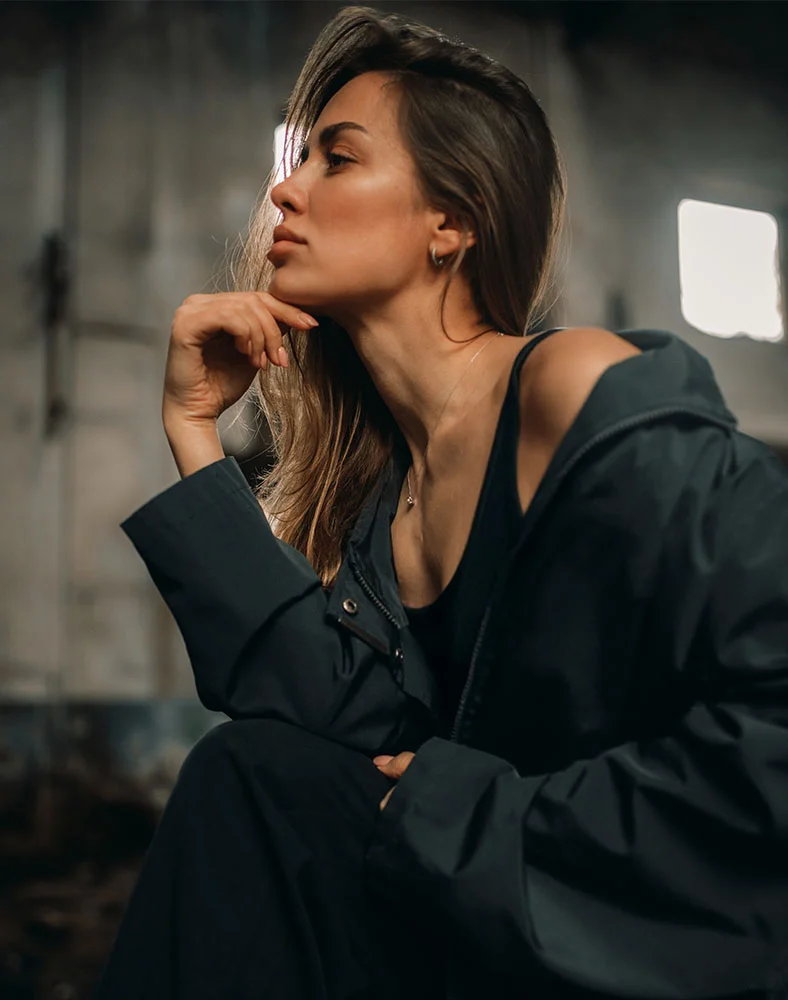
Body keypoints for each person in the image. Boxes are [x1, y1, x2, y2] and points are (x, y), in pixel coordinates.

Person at [95, 5, 788, 999]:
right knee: (250, 779)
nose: (282, 192)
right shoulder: (391, 501)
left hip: (639, 938)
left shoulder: (569, 388)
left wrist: (463, 816)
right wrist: (193, 434)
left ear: (449, 221)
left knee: (243, 786)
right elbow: (335, 722)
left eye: (336, 158)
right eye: (296, 161)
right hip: (493, 936)